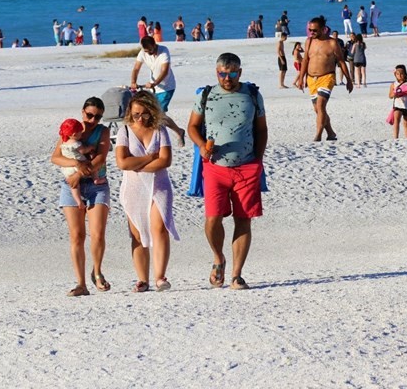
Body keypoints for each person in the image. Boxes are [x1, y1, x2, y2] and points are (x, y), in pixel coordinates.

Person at [187, 53, 267, 290]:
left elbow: (262, 129)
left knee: (243, 219)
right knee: (213, 219)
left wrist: (259, 160)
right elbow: (192, 126)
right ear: (216, 73)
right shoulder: (206, 95)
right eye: (222, 73)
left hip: (247, 166)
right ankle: (218, 257)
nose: (227, 78)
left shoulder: (252, 94)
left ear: (239, 73)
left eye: (232, 73)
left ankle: (236, 274)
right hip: (215, 167)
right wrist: (202, 146)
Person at [115, 90, 179, 293]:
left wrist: (139, 164)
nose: (140, 118)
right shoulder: (125, 130)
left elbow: (165, 161)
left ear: (151, 112)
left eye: (144, 113)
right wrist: (150, 158)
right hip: (133, 188)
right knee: (137, 233)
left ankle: (160, 276)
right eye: (135, 114)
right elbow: (122, 162)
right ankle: (142, 279)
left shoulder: (160, 130)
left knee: (159, 229)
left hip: (159, 186)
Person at [50, 96, 112, 297]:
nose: (92, 120)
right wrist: (76, 166)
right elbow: (56, 157)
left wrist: (78, 174)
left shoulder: (102, 131)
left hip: (96, 185)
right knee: (77, 235)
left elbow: (101, 157)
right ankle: (81, 283)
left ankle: (97, 270)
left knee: (97, 233)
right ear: (82, 112)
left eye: (98, 117)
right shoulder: (70, 130)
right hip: (71, 186)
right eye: (89, 115)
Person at [298, 16, 354, 141]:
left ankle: (318, 136)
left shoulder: (332, 43)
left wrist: (349, 80)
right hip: (312, 79)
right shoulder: (309, 41)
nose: (311, 33)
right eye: (310, 30)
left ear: (323, 29)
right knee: (317, 109)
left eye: (314, 30)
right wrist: (301, 78)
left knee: (321, 106)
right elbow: (305, 60)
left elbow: (341, 62)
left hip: (327, 77)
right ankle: (331, 133)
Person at [130, 36, 186, 146]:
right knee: (154, 113)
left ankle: (174, 133)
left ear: (154, 45)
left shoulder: (164, 51)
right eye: (146, 51)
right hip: (153, 88)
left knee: (158, 114)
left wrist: (155, 83)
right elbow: (136, 68)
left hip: (167, 87)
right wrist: (133, 81)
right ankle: (178, 131)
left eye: (149, 50)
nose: (148, 53)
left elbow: (164, 71)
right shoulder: (143, 53)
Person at [57, 118, 95, 211]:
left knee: (74, 186)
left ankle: (78, 201)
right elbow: (83, 150)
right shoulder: (75, 143)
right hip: (78, 166)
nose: (81, 134)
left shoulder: (64, 142)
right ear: (74, 134)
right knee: (92, 167)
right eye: (80, 133)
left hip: (67, 168)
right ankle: (96, 179)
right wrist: (90, 148)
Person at [388, 64, 407, 139]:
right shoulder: (393, 84)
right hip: (397, 105)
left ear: (405, 73)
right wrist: (394, 94)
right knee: (396, 121)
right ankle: (395, 138)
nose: (399, 75)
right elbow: (390, 96)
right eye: (397, 74)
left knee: (406, 123)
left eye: (401, 73)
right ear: (395, 74)